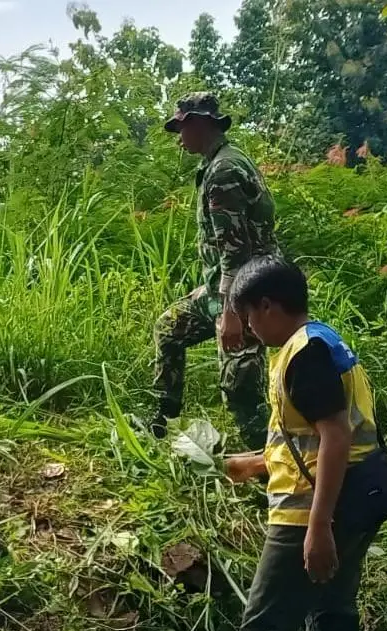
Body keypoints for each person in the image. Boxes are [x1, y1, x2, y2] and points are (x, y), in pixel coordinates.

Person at [223, 258, 387, 631]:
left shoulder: (304, 355)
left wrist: (318, 528)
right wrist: (255, 463)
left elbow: (336, 437)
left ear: (267, 306)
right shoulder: (318, 342)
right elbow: (309, 436)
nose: (249, 329)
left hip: (313, 511)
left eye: (249, 317)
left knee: (262, 627)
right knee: (330, 615)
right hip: (352, 499)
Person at [152, 92, 278, 451]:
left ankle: (267, 465)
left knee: (239, 383)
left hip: (251, 295)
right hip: (229, 288)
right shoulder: (220, 162)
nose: (179, 136)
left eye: (181, 127)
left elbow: (236, 252)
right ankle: (163, 422)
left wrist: (231, 315)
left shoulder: (224, 172)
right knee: (170, 327)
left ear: (198, 122)